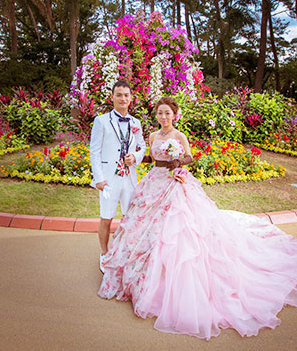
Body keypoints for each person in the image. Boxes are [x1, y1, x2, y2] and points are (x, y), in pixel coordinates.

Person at [98, 96, 297, 340]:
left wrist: (178, 162)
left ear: (174, 115)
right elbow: (150, 157)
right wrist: (141, 158)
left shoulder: (179, 136)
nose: (163, 117)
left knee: (177, 232)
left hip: (174, 184)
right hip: (153, 183)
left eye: (167, 114)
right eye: (160, 113)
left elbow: (190, 157)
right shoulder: (152, 136)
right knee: (142, 227)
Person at [90, 79, 146, 273]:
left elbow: (142, 146)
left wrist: (136, 157)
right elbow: (94, 151)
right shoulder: (101, 121)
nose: (123, 98)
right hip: (108, 179)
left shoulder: (136, 122)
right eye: (119, 95)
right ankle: (104, 254)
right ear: (112, 97)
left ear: (131, 99)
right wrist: (98, 179)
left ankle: (125, 253)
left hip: (129, 178)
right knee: (106, 217)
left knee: (130, 217)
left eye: (126, 95)